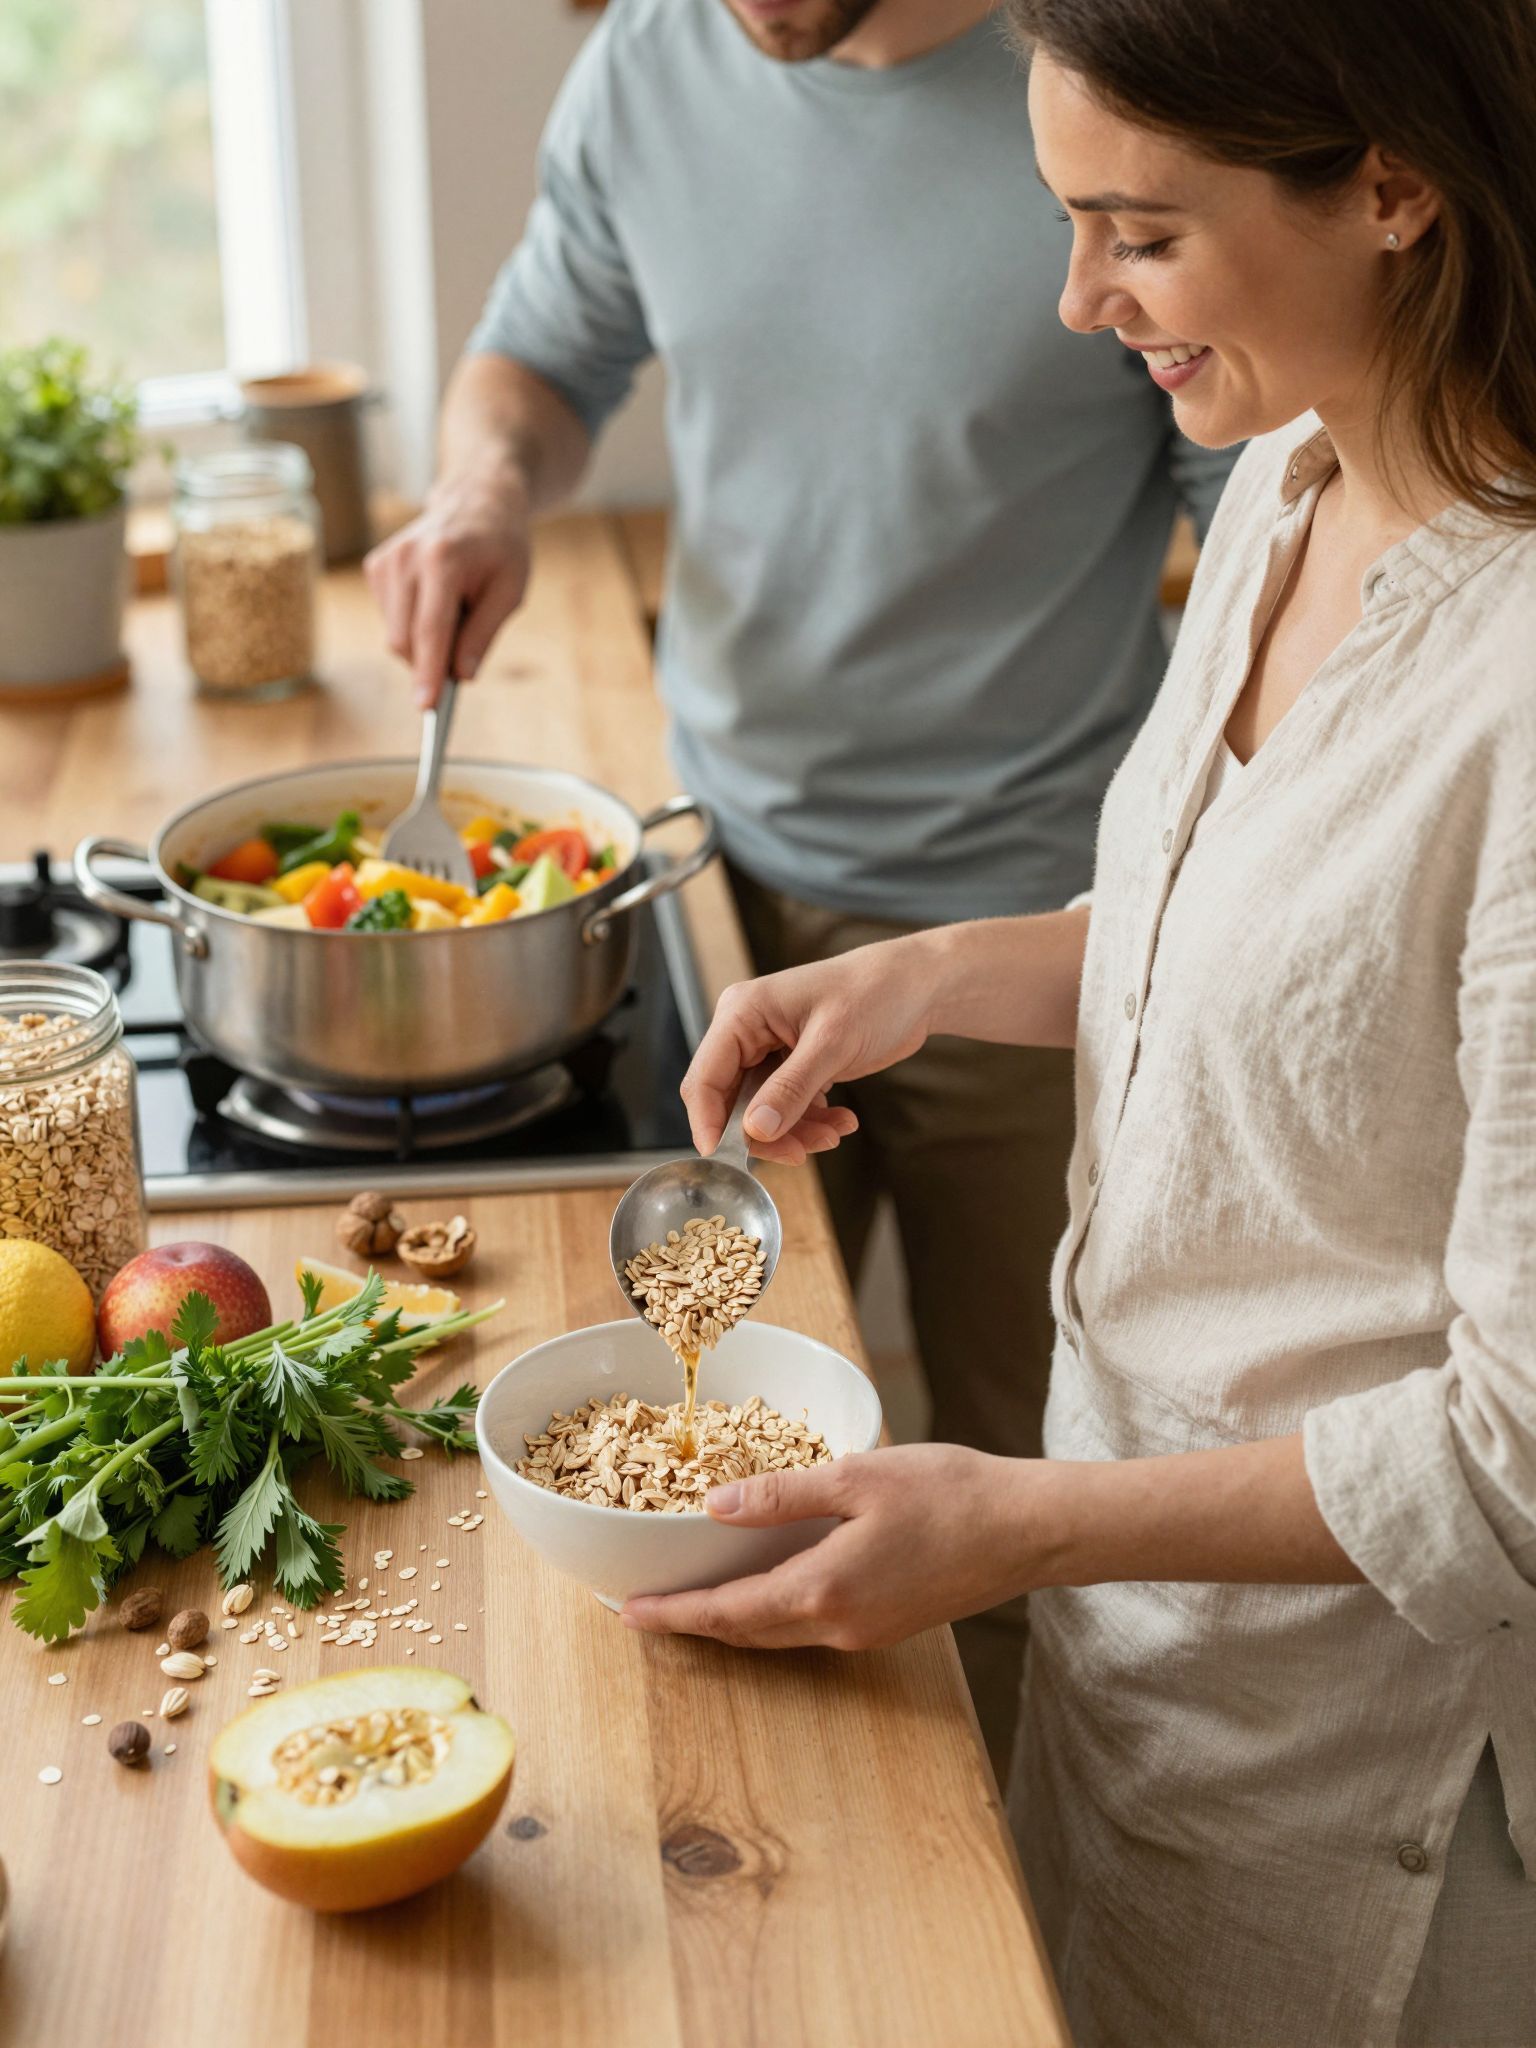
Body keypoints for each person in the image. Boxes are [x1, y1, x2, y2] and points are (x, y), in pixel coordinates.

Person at [617, 0, 1536, 2040]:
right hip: (1139, 1655)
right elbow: (1285, 945)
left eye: (1138, 231)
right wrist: (935, 974)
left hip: (1357, 1767)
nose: (1071, 300)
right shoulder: (1297, 472)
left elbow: (1512, 1458)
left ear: (1391, 183)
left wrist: (1012, 1520)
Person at [364, 0, 1236, 1764]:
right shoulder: (654, 61)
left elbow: (1269, 525)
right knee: (716, 1464)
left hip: (1038, 936)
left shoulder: (1113, 95)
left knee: (1023, 1483)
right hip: (719, 889)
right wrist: (485, 490)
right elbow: (544, 351)